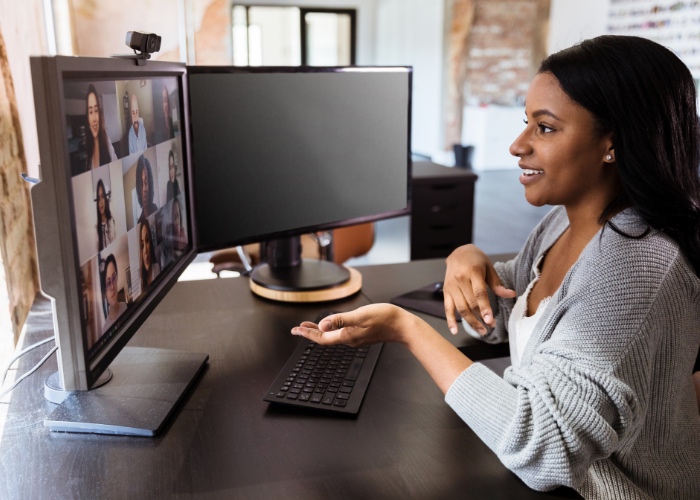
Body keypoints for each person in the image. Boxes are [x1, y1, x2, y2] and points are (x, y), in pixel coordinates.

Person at [292, 35, 700, 498]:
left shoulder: (635, 268)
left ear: (613, 143)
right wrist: (467, 258)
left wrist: (406, 329)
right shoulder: (563, 225)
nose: (516, 145)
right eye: (526, 122)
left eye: (544, 128)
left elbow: (544, 450)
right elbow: (516, 311)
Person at [85, 84, 117, 169]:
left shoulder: (107, 143)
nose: (94, 118)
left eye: (96, 110)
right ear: (87, 118)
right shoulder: (88, 150)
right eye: (91, 112)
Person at [101, 254, 127, 332]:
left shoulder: (125, 306)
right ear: (105, 292)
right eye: (108, 283)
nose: (112, 287)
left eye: (113, 278)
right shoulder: (105, 329)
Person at [94, 179, 116, 251]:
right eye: (98, 198)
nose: (101, 202)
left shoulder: (111, 221)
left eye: (103, 197)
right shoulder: (96, 229)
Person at [139, 221, 160, 291]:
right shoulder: (140, 282)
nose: (145, 251)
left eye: (147, 240)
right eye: (142, 245)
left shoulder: (157, 267)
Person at [136, 155, 158, 223]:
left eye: (145, 182)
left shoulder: (156, 210)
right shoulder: (139, 222)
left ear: (150, 184)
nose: (144, 189)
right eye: (141, 184)